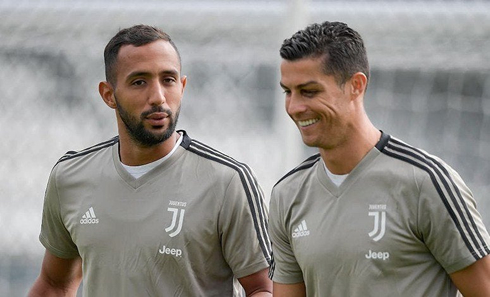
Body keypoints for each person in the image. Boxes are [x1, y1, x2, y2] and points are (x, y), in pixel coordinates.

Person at [29, 24, 272, 296]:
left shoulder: (228, 181)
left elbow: (264, 289)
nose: (158, 97)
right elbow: (55, 284)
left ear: (182, 87)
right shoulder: (70, 176)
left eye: (168, 80)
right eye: (139, 82)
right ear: (109, 95)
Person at [268, 21, 490, 297]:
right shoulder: (287, 194)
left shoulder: (427, 182)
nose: (295, 107)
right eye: (288, 92)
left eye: (309, 91)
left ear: (356, 86)